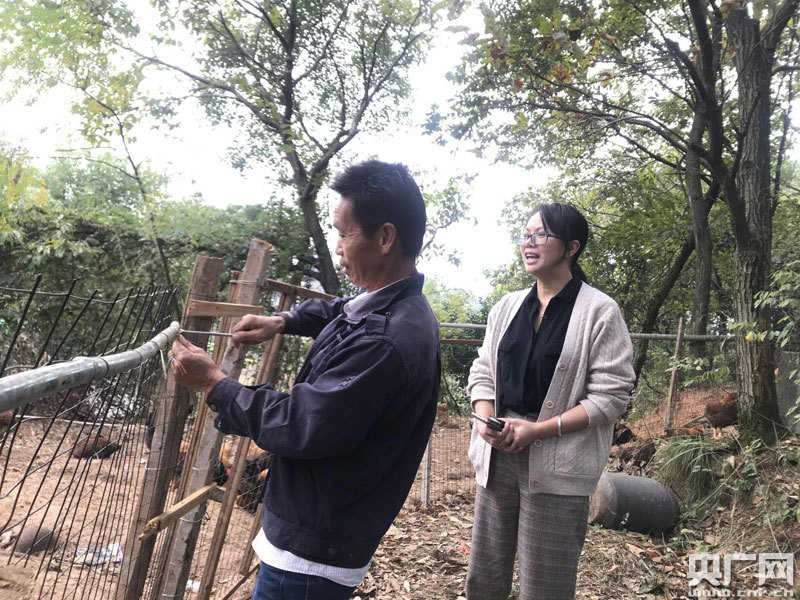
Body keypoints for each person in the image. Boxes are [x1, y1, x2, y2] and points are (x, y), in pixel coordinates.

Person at [169, 159, 441, 600]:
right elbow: (339, 310)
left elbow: (301, 423)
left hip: (314, 551)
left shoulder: (386, 340)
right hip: (320, 527)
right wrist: (282, 320)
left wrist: (215, 384)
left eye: (344, 233)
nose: (337, 247)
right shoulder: (391, 306)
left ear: (385, 237)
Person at [465, 202, 635, 600]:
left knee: (546, 585)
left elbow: (611, 396)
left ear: (572, 247)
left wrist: (538, 430)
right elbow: (482, 372)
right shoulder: (506, 307)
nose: (529, 242)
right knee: (484, 576)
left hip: (560, 465)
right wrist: (485, 420)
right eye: (525, 235)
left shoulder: (600, 311)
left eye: (540, 234)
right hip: (498, 454)